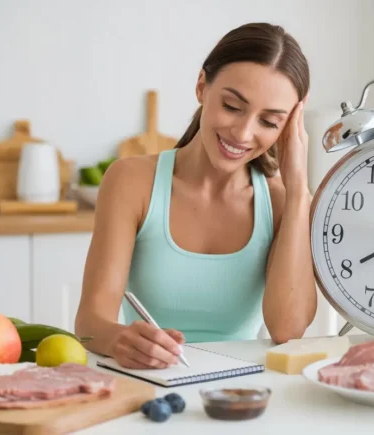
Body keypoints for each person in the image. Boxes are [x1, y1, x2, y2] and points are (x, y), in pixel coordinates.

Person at [75, 22, 317, 369]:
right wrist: (120, 340)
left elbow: (287, 330)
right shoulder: (131, 181)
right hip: (150, 387)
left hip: (240, 397)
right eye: (233, 106)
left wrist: (297, 193)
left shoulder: (281, 203)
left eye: (269, 121)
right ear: (202, 86)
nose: (243, 133)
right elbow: (89, 324)